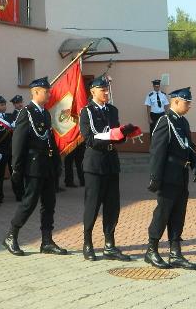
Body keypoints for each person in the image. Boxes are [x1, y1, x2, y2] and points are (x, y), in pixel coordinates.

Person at [3, 77, 67, 257]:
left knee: (49, 203)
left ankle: (47, 241)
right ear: (36, 92)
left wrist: (57, 162)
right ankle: (11, 235)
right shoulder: (26, 113)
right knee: (29, 203)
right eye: (46, 91)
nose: (49, 94)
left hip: (47, 165)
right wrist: (16, 168)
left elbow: (50, 140)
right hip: (33, 166)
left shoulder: (45, 113)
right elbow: (18, 143)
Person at [146, 87, 196, 270]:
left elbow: (189, 146)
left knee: (178, 214)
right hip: (168, 176)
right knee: (163, 213)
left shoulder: (183, 122)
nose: (189, 106)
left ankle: (175, 253)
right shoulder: (165, 121)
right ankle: (151, 250)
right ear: (176, 101)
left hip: (181, 175)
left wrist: (195, 163)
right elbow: (157, 152)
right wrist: (155, 177)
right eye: (187, 102)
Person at [79, 76, 132, 262]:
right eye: (103, 90)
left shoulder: (112, 110)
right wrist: (112, 135)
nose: (106, 93)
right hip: (95, 163)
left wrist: (125, 133)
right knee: (92, 205)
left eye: (107, 89)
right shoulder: (86, 111)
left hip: (111, 162)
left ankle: (109, 245)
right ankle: (87, 243)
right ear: (93, 91)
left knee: (112, 205)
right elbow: (89, 138)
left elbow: (116, 135)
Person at [0, 96, 12, 204]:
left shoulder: (9, 117)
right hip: (0, 150)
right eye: (1, 105)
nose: (4, 107)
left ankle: (19, 194)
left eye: (4, 104)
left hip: (11, 149)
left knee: (14, 172)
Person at [7, 95, 25, 201]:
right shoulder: (11, 117)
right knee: (15, 171)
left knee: (24, 171)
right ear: (14, 104)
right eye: (17, 103)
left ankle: (25, 192)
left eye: (21, 102)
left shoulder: (25, 114)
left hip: (24, 148)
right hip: (14, 148)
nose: (20, 104)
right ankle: (18, 194)